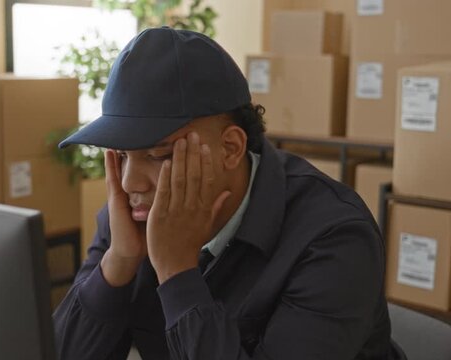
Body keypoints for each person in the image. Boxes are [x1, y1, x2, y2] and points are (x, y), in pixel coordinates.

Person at [54, 27, 402, 360]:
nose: (131, 183)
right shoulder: (133, 212)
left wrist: (177, 272)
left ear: (231, 148)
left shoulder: (333, 236)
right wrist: (120, 261)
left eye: (158, 155)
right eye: (122, 156)